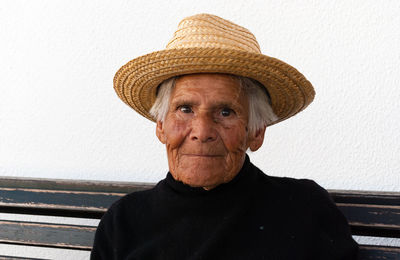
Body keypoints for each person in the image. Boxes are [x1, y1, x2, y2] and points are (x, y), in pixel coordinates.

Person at [91, 13, 358, 259]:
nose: (202, 132)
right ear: (161, 126)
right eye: (185, 109)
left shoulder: (303, 208)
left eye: (226, 112)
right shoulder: (123, 221)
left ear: (256, 132)